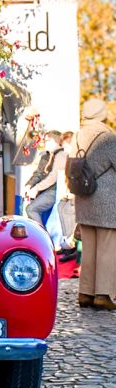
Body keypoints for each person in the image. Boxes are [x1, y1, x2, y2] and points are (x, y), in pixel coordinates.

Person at [75, 99, 116, 310]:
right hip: (106, 202)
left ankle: (85, 293)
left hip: (83, 198)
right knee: (107, 249)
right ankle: (103, 294)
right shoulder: (108, 138)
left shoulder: (77, 135)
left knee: (89, 248)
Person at [24, 131, 65, 232]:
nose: (44, 143)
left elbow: (53, 178)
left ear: (54, 141)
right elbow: (38, 174)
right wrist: (29, 185)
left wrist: (36, 188)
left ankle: (43, 236)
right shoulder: (45, 156)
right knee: (27, 205)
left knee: (31, 209)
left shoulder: (61, 155)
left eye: (46, 141)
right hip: (45, 189)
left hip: (55, 190)